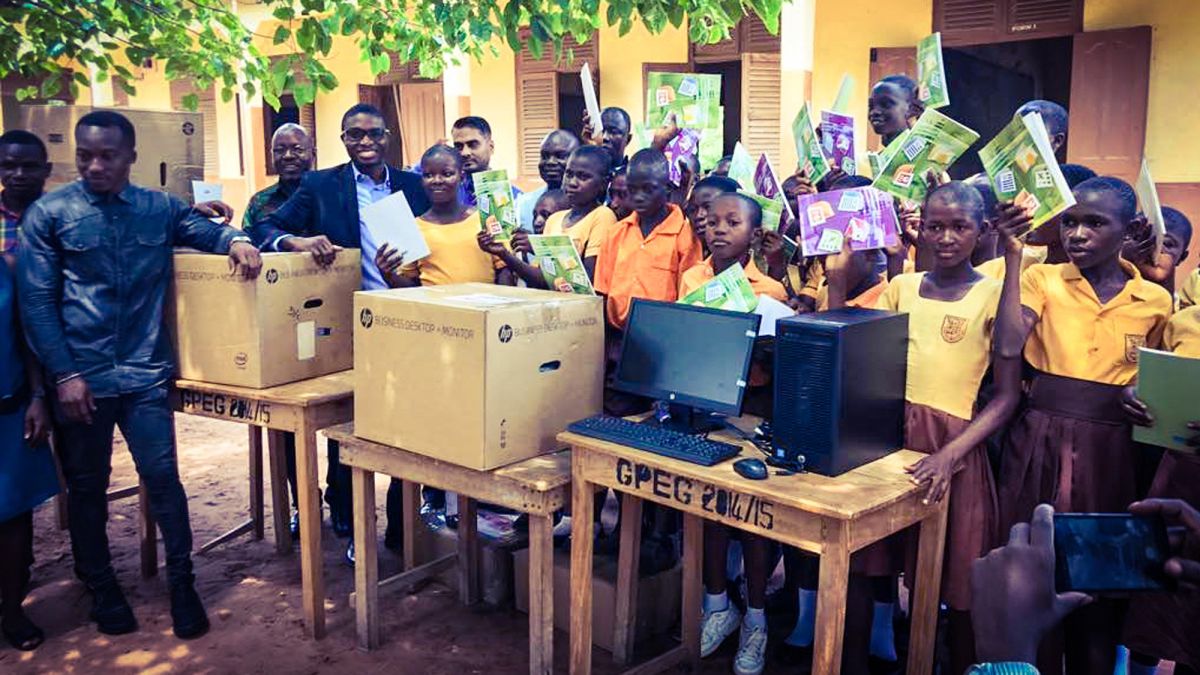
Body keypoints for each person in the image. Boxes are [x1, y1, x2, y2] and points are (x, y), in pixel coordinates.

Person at [18, 110, 262, 639]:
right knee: (87, 487)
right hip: (81, 381)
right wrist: (64, 375)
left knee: (164, 481)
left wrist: (238, 239)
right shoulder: (49, 214)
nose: (95, 166)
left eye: (107, 156)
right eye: (85, 156)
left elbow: (204, 231)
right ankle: (102, 588)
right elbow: (36, 303)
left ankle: (182, 584)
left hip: (145, 375)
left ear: (131, 157)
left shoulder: (158, 208)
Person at [842, 182, 1023, 673]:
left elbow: (1007, 392)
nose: (945, 238)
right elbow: (866, 363)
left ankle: (960, 664)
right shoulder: (901, 288)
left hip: (953, 451)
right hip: (891, 445)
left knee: (960, 584)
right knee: (862, 565)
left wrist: (1014, 262)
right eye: (935, 226)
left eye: (960, 227)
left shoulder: (992, 290)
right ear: (919, 226)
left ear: (981, 231)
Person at [996, 176, 1174, 675]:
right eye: (1070, 221)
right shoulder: (1043, 279)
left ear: (1129, 230)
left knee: (1100, 580)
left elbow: (1158, 377)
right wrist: (1014, 257)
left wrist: (1145, 393)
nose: (1077, 234)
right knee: (1033, 566)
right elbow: (1009, 346)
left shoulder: (1155, 302)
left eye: (1095, 223)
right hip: (1040, 438)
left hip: (1112, 449)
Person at [249, 103, 427, 554]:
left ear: (387, 137)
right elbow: (267, 224)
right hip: (345, 323)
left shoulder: (412, 185)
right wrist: (296, 240)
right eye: (354, 135)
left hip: (408, 320)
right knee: (347, 421)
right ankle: (348, 515)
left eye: (373, 135)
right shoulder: (319, 185)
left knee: (409, 425)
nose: (364, 143)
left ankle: (402, 526)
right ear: (343, 139)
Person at [377, 145, 512, 529]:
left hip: (487, 335)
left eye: (446, 173)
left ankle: (485, 501)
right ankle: (438, 500)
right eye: (429, 174)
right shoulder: (415, 227)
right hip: (440, 340)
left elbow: (503, 270)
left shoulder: (483, 221)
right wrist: (388, 274)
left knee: (486, 421)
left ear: (461, 176)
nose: (438, 181)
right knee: (444, 422)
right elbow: (412, 286)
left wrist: (500, 312)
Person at [680, 193, 786, 675]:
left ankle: (757, 620)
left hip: (754, 411)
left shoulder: (771, 289)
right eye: (713, 221)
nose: (718, 229)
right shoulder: (692, 278)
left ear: (753, 232)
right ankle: (718, 606)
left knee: (752, 517)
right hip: (705, 406)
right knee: (710, 511)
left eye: (733, 222)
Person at [241, 122, 315, 539]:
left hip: (328, 323)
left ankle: (341, 505)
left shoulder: (326, 191)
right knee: (284, 426)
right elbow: (249, 241)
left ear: (312, 152)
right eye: (279, 149)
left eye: (296, 148)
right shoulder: (261, 202)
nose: (288, 155)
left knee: (338, 422)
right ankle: (302, 503)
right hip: (278, 325)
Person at [1119, 297, 1200, 675]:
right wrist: (1135, 396)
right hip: (1181, 474)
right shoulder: (1184, 322)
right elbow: (1154, 381)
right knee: (1158, 596)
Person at [0, 129, 57, 652]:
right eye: (7, 165)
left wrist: (39, 393)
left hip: (26, 386)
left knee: (16, 509)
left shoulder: (54, 217)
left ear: (44, 168)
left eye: (27, 165)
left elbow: (25, 324)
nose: (17, 174)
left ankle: (12, 604)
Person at [977, 163, 1096, 281]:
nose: (1028, 211)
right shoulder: (1000, 268)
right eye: (1028, 199)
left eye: (1043, 203)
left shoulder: (1095, 282)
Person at [515, 146, 614, 282]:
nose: (572, 182)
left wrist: (541, 249)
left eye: (583, 177)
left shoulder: (602, 216)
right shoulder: (554, 219)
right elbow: (543, 279)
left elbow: (587, 280)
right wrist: (505, 255)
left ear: (603, 183)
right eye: (569, 174)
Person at [0, 130, 52, 266]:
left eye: (29, 167)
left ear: (47, 170)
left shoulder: (62, 217)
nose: (19, 174)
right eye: (9, 166)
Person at [513, 130, 579, 232]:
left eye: (560, 156)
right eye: (545, 156)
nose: (550, 162)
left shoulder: (589, 205)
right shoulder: (523, 204)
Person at [452, 116, 522, 207]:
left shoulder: (515, 199)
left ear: (491, 147)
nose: (465, 153)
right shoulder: (446, 195)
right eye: (458, 146)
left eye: (473, 144)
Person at [684, 175, 740, 250]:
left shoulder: (750, 259)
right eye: (692, 210)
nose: (698, 215)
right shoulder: (683, 252)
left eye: (709, 207)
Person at [868, 75, 924, 147]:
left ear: (913, 109)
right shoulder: (881, 156)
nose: (874, 112)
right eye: (871, 106)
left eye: (885, 104)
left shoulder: (929, 154)